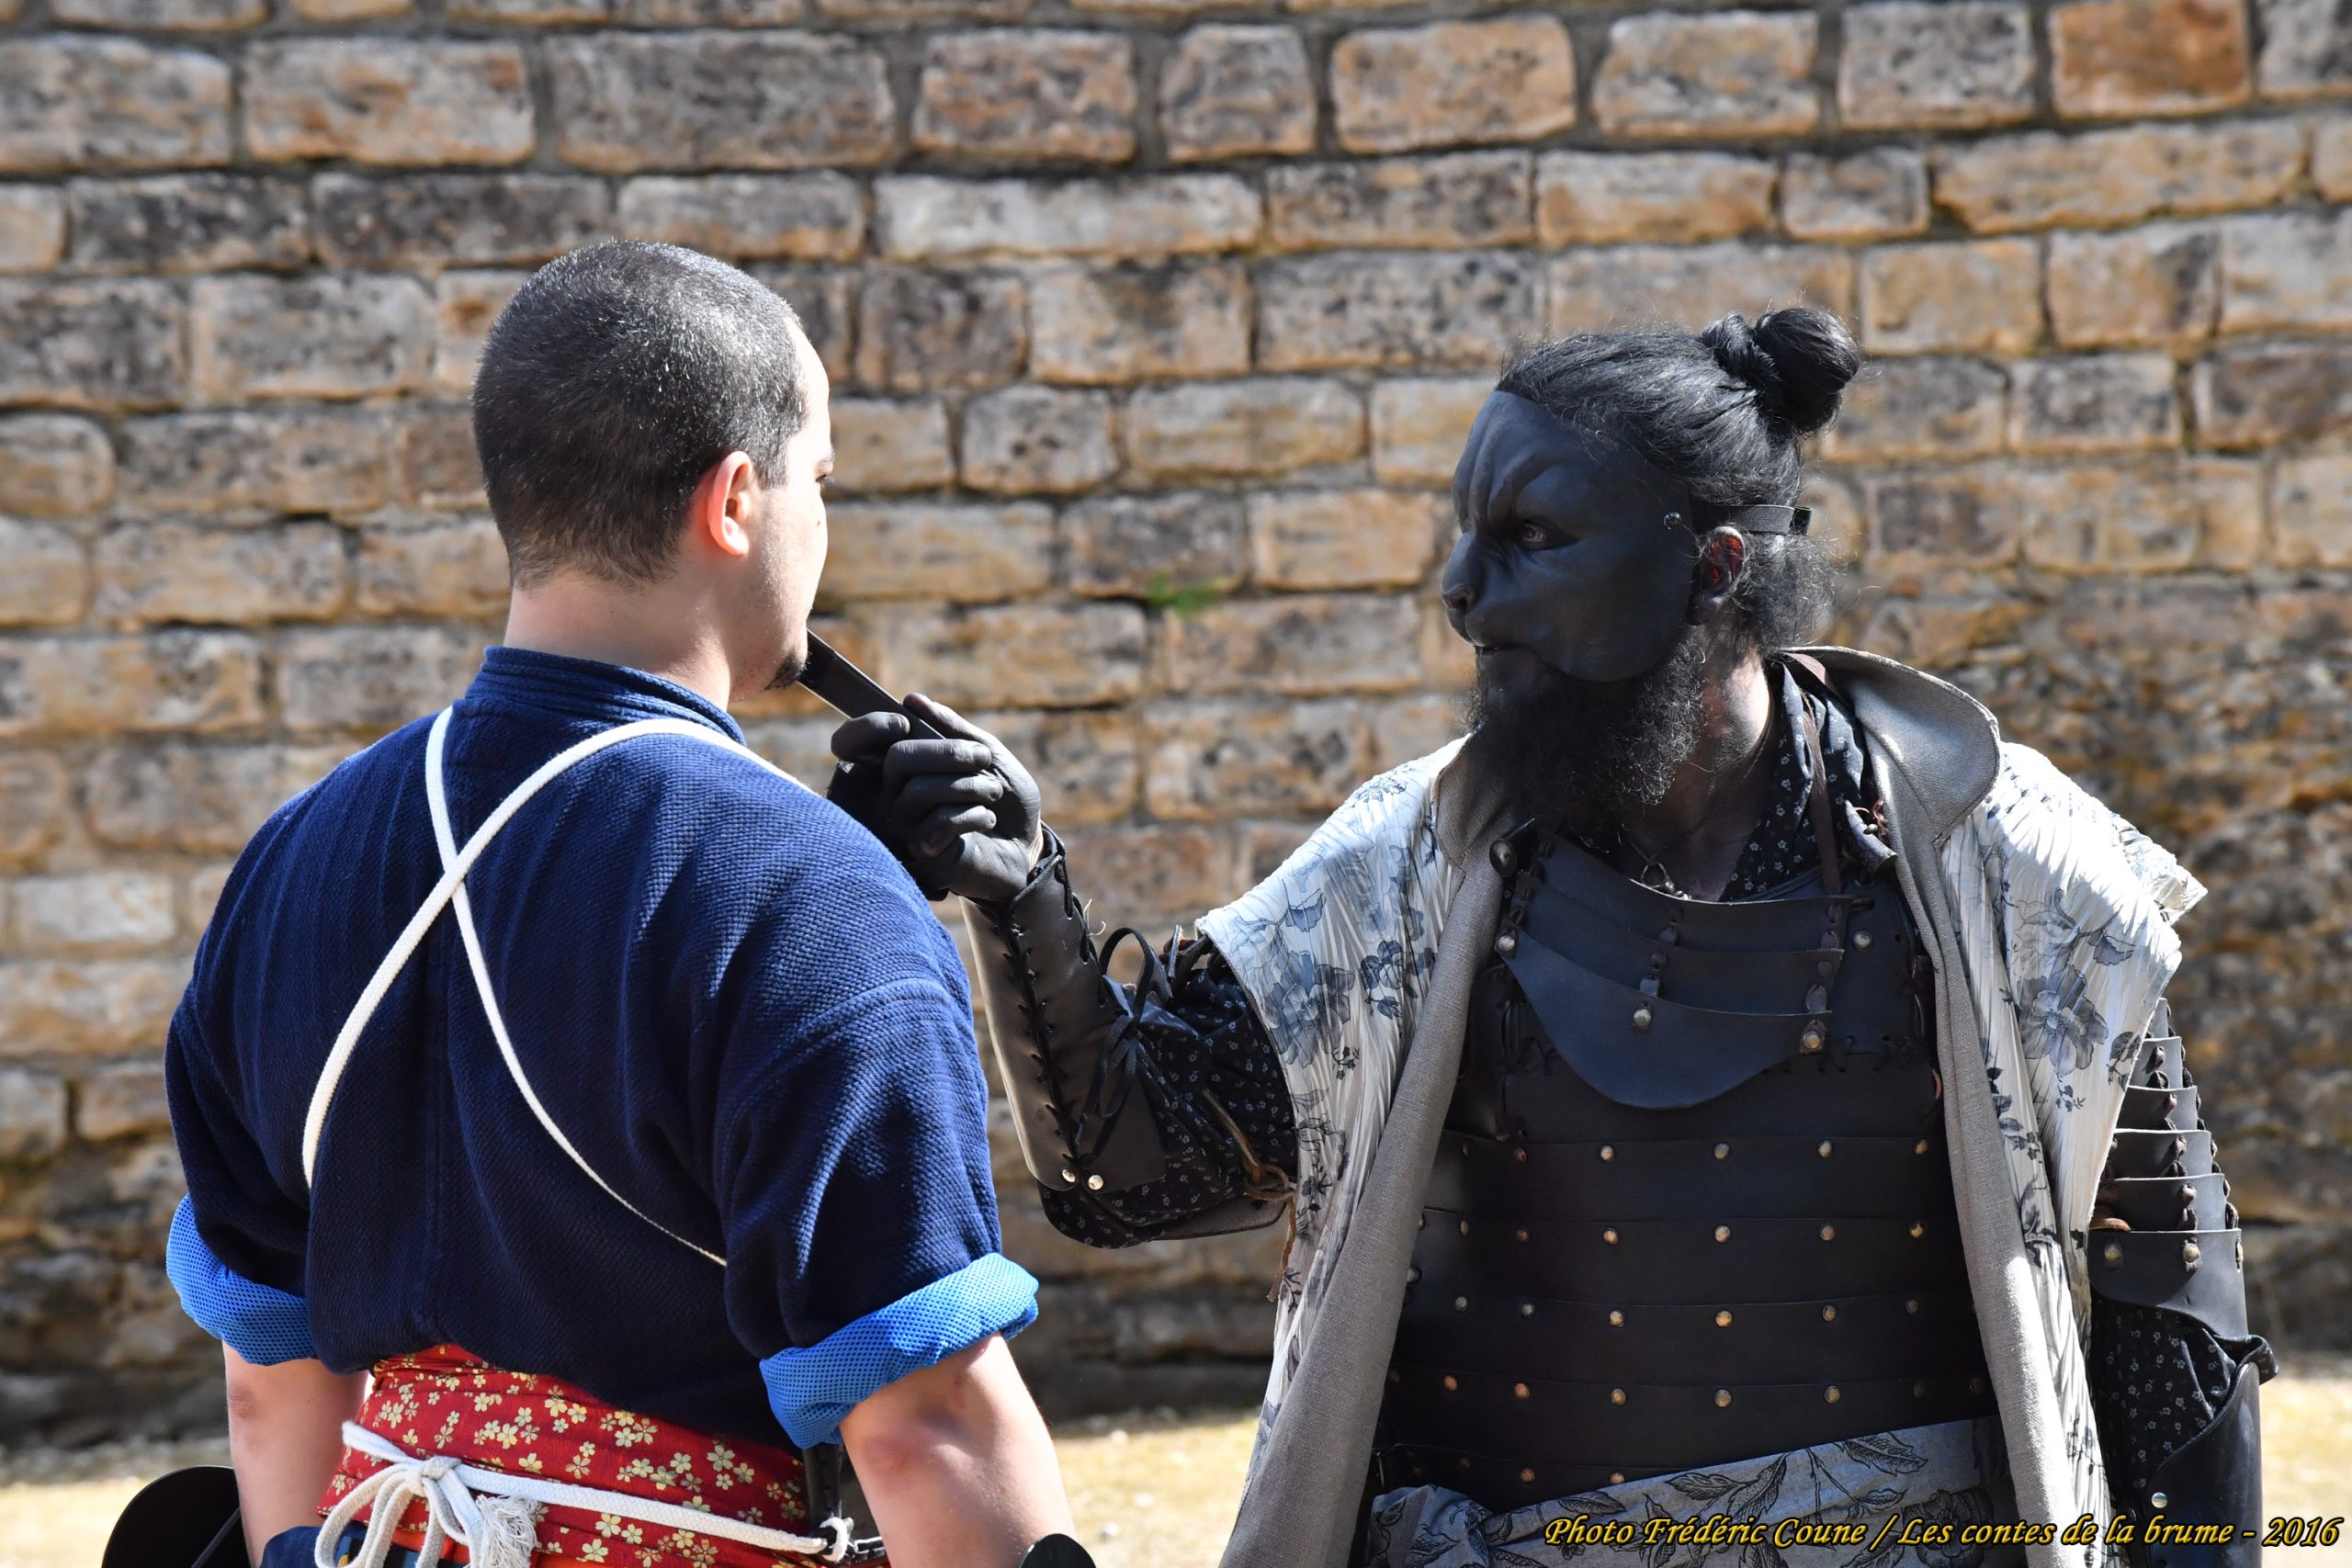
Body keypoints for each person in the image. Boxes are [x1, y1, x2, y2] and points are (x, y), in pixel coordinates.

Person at [830, 309, 2272, 1568]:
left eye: (1531, 539)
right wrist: (1019, 893)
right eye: (1465, 535)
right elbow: (1128, 1171)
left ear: (1713, 566)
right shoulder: (1404, 865)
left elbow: (2176, 1318)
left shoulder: (2006, 868)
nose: (1462, 591)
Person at [162, 240, 1076, 1568]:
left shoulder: (289, 863)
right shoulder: (815, 906)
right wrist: (841, 902)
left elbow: (272, 1383)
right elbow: (924, 1425)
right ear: (736, 499)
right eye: (819, 483)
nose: (822, 525)